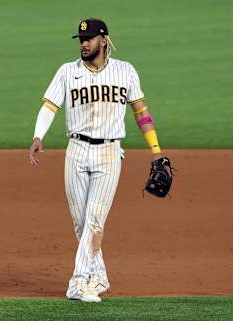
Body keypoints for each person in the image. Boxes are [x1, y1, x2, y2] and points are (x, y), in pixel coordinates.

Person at [29, 18, 166, 302]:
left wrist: (156, 150)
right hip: (76, 150)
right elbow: (49, 106)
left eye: (89, 38)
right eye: (81, 39)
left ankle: (79, 283)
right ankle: (99, 277)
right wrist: (38, 135)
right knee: (81, 223)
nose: (84, 43)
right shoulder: (67, 72)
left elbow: (142, 112)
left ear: (104, 40)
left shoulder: (125, 71)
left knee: (94, 220)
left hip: (108, 153)